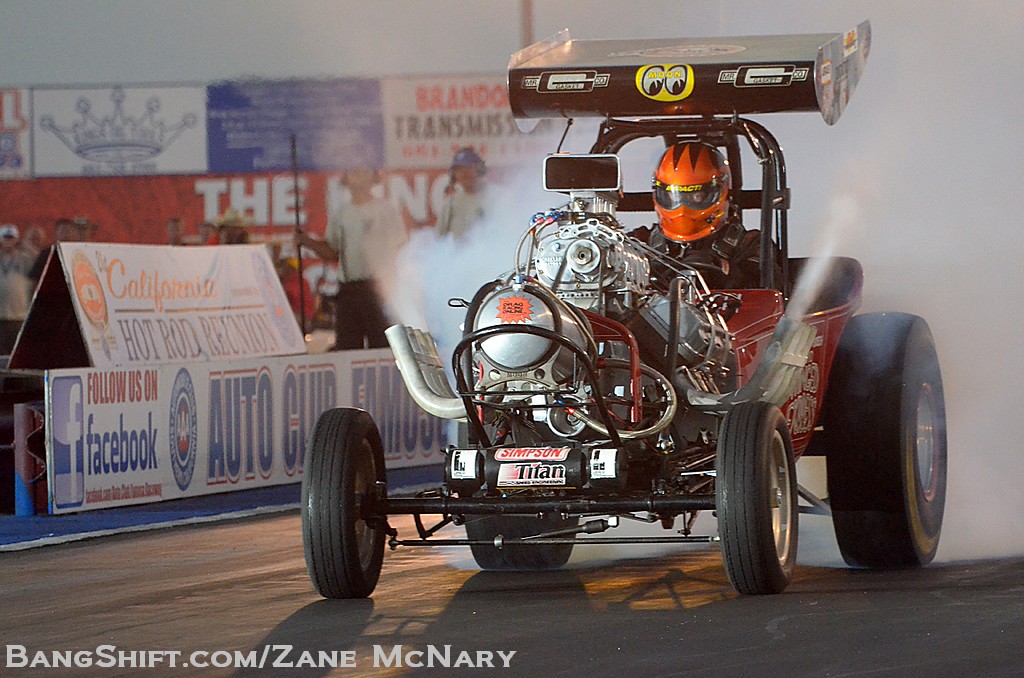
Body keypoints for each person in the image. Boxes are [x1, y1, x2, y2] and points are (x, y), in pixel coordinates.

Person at [295, 168, 406, 350]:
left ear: (373, 178)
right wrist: (307, 241)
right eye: (353, 173)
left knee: (381, 346)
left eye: (363, 172)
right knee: (347, 346)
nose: (358, 177)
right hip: (349, 289)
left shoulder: (385, 210)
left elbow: (400, 247)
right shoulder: (342, 213)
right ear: (346, 180)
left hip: (378, 288)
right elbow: (332, 252)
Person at [651, 141, 763, 289]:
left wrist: (726, 271)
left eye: (697, 196)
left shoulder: (750, 244)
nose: (683, 209)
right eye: (675, 196)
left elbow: (770, 290)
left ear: (721, 192)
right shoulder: (641, 244)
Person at [435, 147, 488, 240]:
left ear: (479, 169)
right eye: (459, 169)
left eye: (468, 167)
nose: (464, 173)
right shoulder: (450, 203)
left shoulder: (496, 198)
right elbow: (438, 238)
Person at [0, 224, 36, 353]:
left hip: (18, 315)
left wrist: (27, 245)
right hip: (1, 315)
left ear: (16, 239)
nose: (8, 241)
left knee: (16, 351)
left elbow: (39, 262)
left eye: (11, 238)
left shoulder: (24, 258)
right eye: (6, 238)